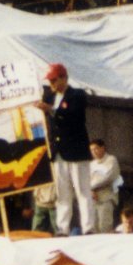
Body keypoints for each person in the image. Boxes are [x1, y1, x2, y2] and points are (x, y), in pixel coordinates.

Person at [37, 62, 93, 236]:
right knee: (62, 194)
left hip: (76, 151)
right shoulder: (49, 97)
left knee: (82, 191)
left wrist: (52, 110)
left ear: (64, 78)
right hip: (58, 152)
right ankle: (62, 228)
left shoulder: (77, 95)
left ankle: (88, 227)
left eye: (54, 80)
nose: (52, 84)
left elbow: (73, 116)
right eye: (50, 81)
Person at [87, 139, 119, 232]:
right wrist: (90, 190)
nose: (94, 152)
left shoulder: (111, 160)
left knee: (104, 226)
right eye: (92, 150)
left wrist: (91, 187)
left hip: (106, 197)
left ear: (102, 148)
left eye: (96, 149)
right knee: (93, 227)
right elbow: (86, 180)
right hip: (93, 198)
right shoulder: (91, 164)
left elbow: (107, 177)